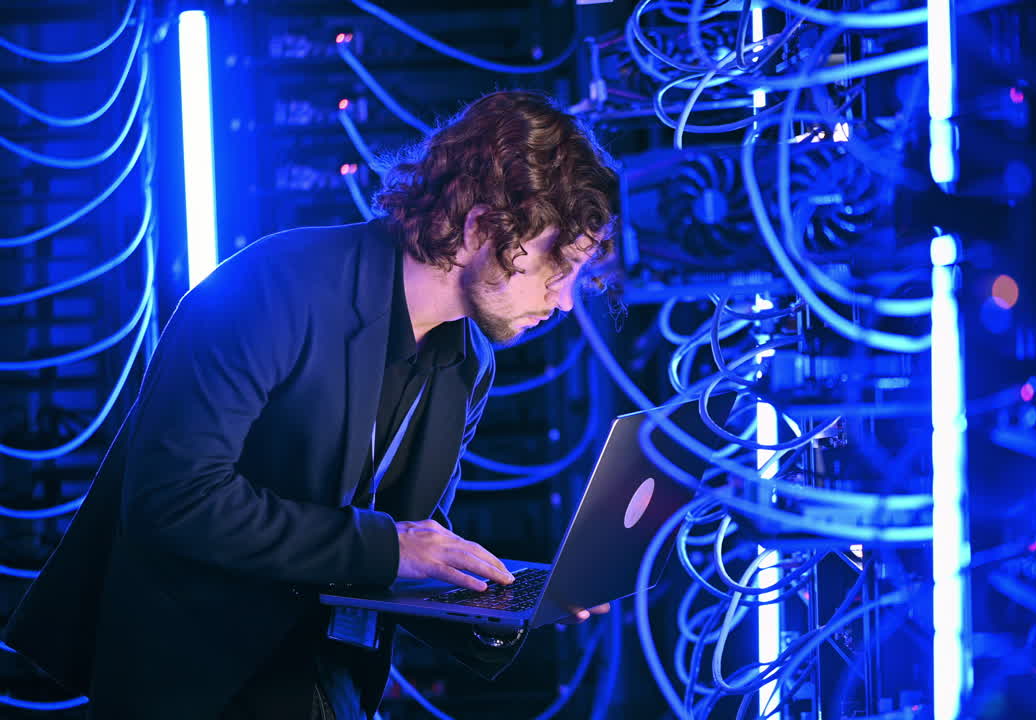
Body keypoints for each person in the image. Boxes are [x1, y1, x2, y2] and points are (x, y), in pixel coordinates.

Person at [3, 90, 619, 719]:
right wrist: (392, 550)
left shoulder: (470, 361)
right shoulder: (273, 286)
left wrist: (506, 602)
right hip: (200, 680)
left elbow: (405, 551)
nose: (565, 301)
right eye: (557, 266)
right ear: (481, 228)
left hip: (328, 680)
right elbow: (172, 498)